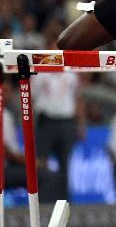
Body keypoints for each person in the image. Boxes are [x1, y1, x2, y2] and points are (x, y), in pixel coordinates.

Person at [32, 72, 85, 202]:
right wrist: (30, 126)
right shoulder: (39, 74)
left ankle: (64, 201)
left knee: (65, 163)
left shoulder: (70, 73)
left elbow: (78, 98)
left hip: (66, 122)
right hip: (46, 122)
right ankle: (42, 200)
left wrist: (81, 123)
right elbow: (30, 99)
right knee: (41, 163)